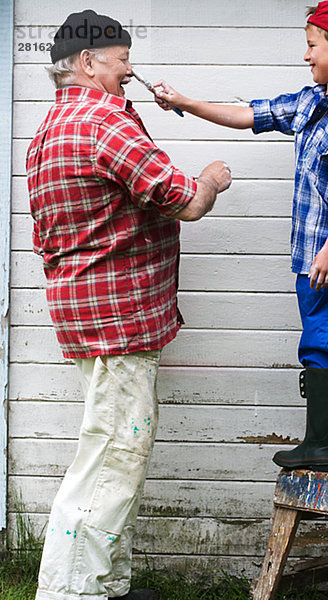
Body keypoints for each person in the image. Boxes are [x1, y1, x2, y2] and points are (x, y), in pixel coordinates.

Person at [26, 10, 231, 600]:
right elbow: (185, 201)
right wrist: (211, 178)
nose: (130, 71)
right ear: (89, 63)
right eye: (121, 60)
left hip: (89, 316)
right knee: (112, 459)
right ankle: (70, 592)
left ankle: (105, 584)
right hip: (117, 321)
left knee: (114, 453)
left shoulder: (52, 127)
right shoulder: (103, 122)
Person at [154, 0, 328, 473]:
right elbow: (249, 114)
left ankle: (322, 445)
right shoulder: (311, 102)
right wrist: (184, 103)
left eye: (311, 45)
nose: (305, 55)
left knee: (327, 339)